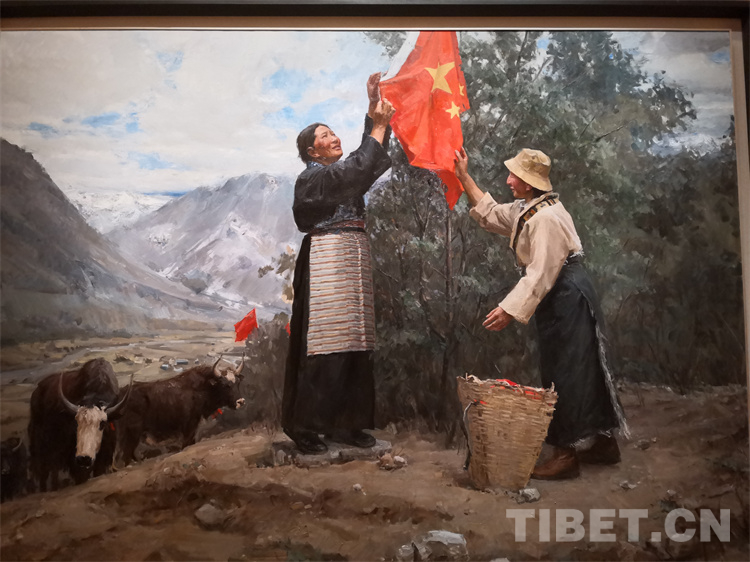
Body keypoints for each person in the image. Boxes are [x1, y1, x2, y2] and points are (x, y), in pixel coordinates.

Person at [454, 147, 629, 480]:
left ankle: (565, 455)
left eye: (514, 175)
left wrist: (508, 309)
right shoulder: (530, 207)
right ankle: (604, 444)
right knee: (580, 367)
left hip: (566, 293)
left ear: (528, 182)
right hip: (559, 291)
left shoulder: (546, 217)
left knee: (565, 371)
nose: (508, 180)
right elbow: (492, 213)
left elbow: (541, 273)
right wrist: (463, 177)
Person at [282, 73, 395, 454]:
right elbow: (355, 171)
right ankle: (307, 428)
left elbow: (367, 166)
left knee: (356, 341)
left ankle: (348, 423)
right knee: (324, 343)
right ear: (312, 152)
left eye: (333, 133)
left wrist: (374, 112)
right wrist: (376, 125)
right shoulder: (312, 179)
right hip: (326, 260)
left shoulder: (337, 175)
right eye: (325, 135)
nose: (334, 138)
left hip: (351, 256)